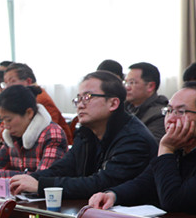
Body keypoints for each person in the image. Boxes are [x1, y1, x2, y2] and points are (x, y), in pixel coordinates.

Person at [9, 70, 157, 199]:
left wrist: (41, 185)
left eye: (87, 97)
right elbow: (64, 168)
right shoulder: (87, 133)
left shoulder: (134, 139)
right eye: (78, 99)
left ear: (113, 103)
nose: (80, 105)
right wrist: (29, 179)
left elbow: (102, 184)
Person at [89, 82, 196, 217]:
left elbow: (173, 201)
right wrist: (113, 195)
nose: (170, 119)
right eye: (169, 110)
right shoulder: (180, 146)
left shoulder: (173, 146)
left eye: (180, 112)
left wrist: (166, 149)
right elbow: (145, 183)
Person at [0, 85, 68, 188]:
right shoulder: (13, 135)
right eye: (2, 120)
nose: (6, 126)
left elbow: (42, 177)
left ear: (29, 113)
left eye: (9, 120)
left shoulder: (52, 134)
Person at [2, 62, 73, 143]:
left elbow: (45, 132)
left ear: (28, 82)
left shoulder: (41, 100)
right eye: (6, 83)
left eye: (12, 81)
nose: (7, 87)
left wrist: (2, 131)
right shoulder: (18, 101)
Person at [124, 62, 168, 142]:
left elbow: (147, 146)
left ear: (150, 86)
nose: (127, 87)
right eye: (125, 83)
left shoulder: (160, 115)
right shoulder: (124, 107)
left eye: (132, 82)